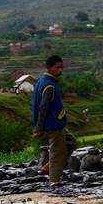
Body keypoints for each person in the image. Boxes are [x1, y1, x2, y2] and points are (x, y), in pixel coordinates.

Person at [32, 55, 69, 184]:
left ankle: (48, 166)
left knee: (71, 142)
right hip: (53, 124)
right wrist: (39, 127)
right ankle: (54, 182)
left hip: (57, 123)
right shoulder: (49, 86)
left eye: (61, 67)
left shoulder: (44, 81)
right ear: (49, 68)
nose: (60, 70)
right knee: (57, 153)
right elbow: (43, 107)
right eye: (57, 67)